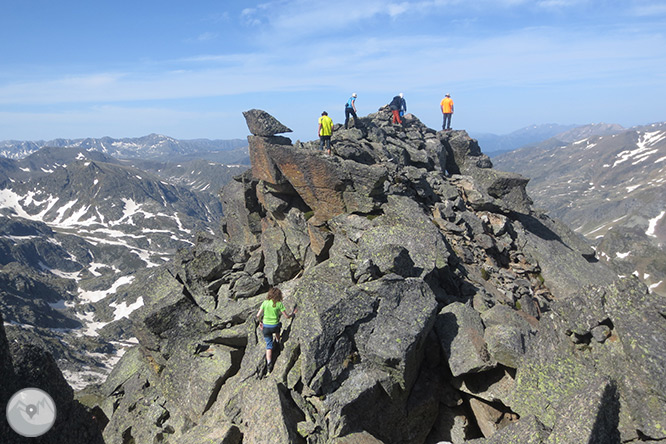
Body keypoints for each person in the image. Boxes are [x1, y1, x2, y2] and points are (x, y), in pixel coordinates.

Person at [256, 287, 297, 372]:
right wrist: (292, 314)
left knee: (268, 346)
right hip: (275, 326)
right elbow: (286, 316)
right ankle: (278, 342)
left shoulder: (265, 303)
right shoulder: (279, 304)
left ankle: (269, 363)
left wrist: (260, 322)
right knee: (278, 328)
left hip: (266, 327)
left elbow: (258, 315)